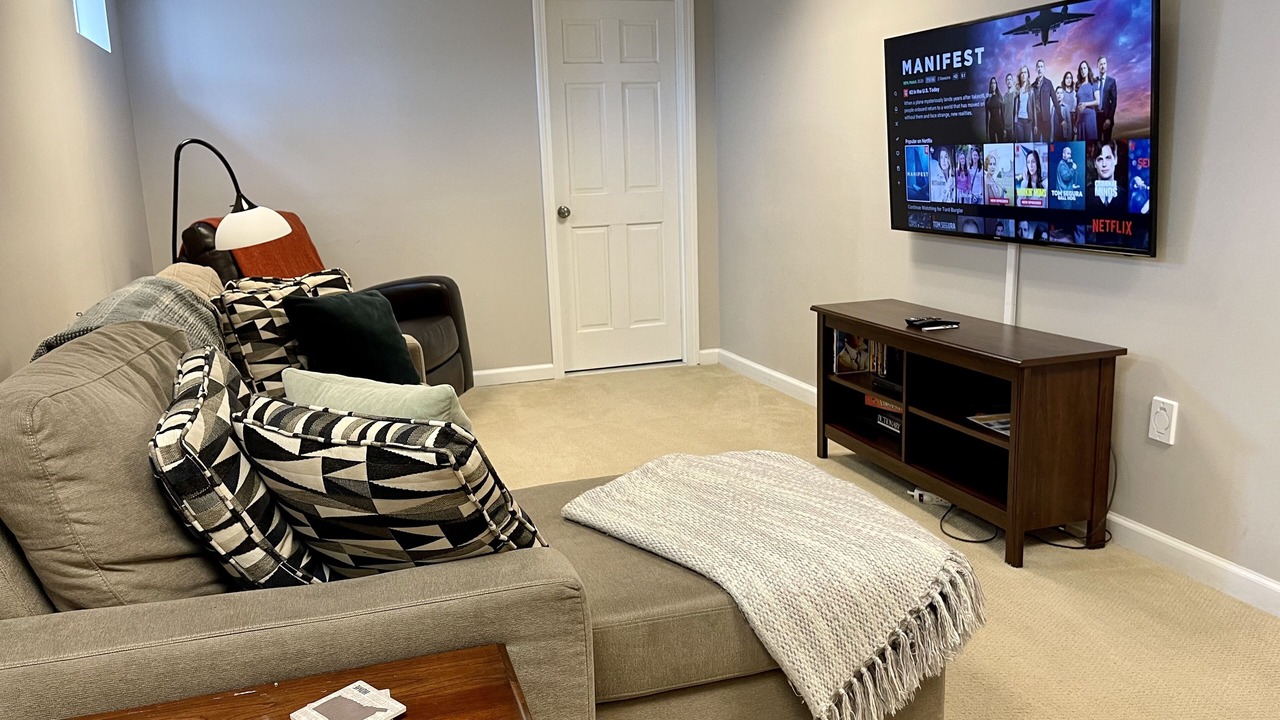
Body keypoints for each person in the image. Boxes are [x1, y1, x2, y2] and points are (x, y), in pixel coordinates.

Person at [1089, 140, 1122, 209]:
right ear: (1095, 163)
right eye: (1100, 159)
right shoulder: (1087, 196)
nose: (1104, 164)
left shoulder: (1125, 196)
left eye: (1108, 158)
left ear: (1115, 159)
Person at [1032, 59, 1057, 142]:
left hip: (1046, 119)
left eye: (1041, 66)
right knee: (1036, 144)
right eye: (1038, 67)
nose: (1040, 68)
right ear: (1036, 69)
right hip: (1036, 120)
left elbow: (1055, 101)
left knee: (1047, 144)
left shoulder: (1048, 83)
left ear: (1044, 69)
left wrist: (1061, 118)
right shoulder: (1032, 86)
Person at [1075, 60, 1099, 141]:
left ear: (1088, 69)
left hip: (1090, 118)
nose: (1083, 70)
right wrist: (1076, 120)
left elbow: (1098, 101)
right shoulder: (1078, 85)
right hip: (1080, 119)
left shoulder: (1093, 83)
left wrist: (1085, 104)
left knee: (1091, 142)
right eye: (1081, 69)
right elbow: (1078, 104)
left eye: (1084, 68)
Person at [1097, 56, 1118, 142]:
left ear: (1107, 65)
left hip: (1107, 118)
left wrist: (1109, 118)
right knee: (1096, 145)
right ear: (1098, 66)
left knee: (1106, 144)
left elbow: (1114, 101)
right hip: (1096, 118)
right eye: (1101, 64)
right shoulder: (1095, 81)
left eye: (1104, 64)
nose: (1103, 66)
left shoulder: (1111, 81)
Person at [1014, 66, 1034, 142]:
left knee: (1027, 143)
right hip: (1019, 121)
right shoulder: (1017, 90)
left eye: (1025, 72)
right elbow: (1014, 107)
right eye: (1022, 73)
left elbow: (1033, 108)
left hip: (1028, 121)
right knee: (1020, 143)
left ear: (1028, 75)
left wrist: (1034, 124)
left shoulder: (1031, 90)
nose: (1023, 74)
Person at [985, 77, 1006, 143]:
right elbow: (986, 117)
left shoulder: (1000, 98)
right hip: (991, 125)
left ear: (996, 85)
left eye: (994, 83)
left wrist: (1004, 128)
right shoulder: (987, 100)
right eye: (992, 83)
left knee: (1001, 143)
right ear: (990, 85)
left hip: (999, 124)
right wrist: (987, 132)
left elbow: (1002, 114)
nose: (993, 85)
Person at [1060, 71, 1078, 141]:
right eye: (1067, 78)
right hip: (1064, 115)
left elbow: (1076, 107)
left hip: (1073, 116)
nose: (1069, 80)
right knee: (1063, 137)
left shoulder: (1074, 92)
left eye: (1070, 78)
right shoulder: (1061, 92)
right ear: (1064, 80)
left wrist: (1075, 122)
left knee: (1072, 137)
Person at [1002, 73, 1017, 142]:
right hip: (1006, 127)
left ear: (1013, 81)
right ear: (1006, 82)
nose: (1009, 81)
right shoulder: (1004, 97)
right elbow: (1002, 113)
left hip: (1014, 127)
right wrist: (1004, 128)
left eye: (1010, 79)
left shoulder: (1016, 95)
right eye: (1007, 80)